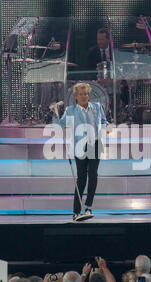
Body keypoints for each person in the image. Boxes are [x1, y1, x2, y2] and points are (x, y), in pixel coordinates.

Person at [51, 83, 110, 221]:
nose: (84, 96)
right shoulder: (71, 110)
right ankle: (76, 212)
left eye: (86, 94)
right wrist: (55, 113)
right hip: (80, 146)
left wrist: (107, 127)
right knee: (81, 179)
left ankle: (88, 207)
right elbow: (60, 124)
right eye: (81, 94)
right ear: (76, 97)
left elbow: (103, 120)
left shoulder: (96, 107)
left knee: (93, 175)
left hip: (95, 143)